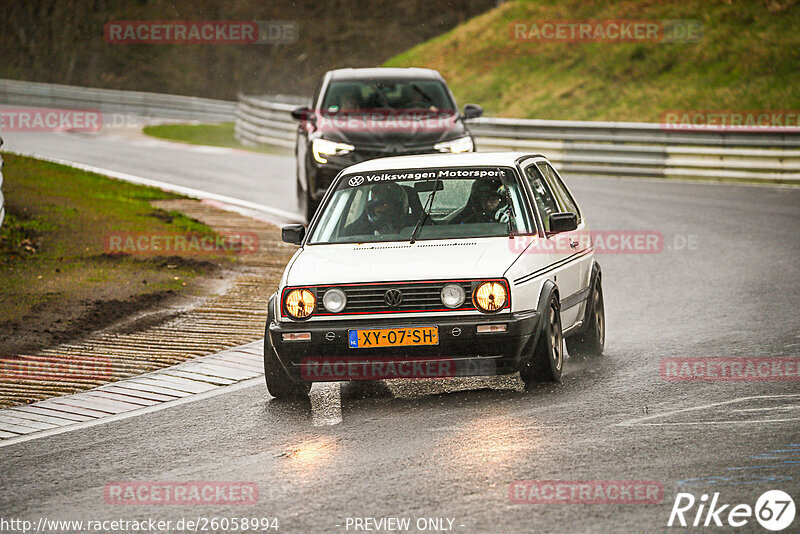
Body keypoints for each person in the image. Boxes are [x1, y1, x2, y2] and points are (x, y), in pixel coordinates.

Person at [344, 182, 415, 236]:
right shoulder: (357, 231)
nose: (384, 207)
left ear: (399, 208)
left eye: (388, 211)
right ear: (371, 209)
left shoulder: (418, 229)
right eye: (380, 213)